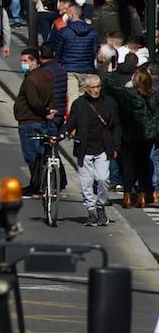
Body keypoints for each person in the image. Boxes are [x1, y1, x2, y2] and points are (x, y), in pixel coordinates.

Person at [99, 53, 159, 209]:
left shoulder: (126, 94)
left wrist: (108, 69)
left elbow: (110, 85)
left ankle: (127, 196)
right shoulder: (153, 96)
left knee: (128, 165)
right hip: (147, 135)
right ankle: (142, 195)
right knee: (144, 164)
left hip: (129, 134)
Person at [63, 73, 119, 226]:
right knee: (86, 181)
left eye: (98, 86)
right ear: (86, 88)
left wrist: (115, 146)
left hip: (103, 147)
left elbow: (116, 126)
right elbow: (71, 123)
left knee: (102, 179)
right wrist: (63, 132)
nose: (96, 90)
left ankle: (100, 205)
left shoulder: (109, 103)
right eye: (93, 87)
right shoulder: (79, 104)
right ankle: (91, 210)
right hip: (85, 148)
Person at [15, 47, 57, 193]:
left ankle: (37, 184)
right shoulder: (46, 76)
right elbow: (50, 97)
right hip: (40, 121)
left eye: (25, 61)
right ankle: (40, 183)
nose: (22, 64)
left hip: (29, 121)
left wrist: (45, 112)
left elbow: (33, 102)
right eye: (21, 60)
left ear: (34, 61)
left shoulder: (30, 80)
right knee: (40, 154)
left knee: (31, 155)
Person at [50, 2, 101, 110]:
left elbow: (58, 51)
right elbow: (95, 51)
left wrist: (60, 63)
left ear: (71, 15)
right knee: (85, 98)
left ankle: (73, 124)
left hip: (69, 69)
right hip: (87, 69)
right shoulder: (92, 32)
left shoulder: (64, 32)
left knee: (72, 97)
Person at [39, 44, 68, 133]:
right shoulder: (62, 69)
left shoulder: (43, 72)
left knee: (47, 140)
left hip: (50, 112)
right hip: (60, 110)